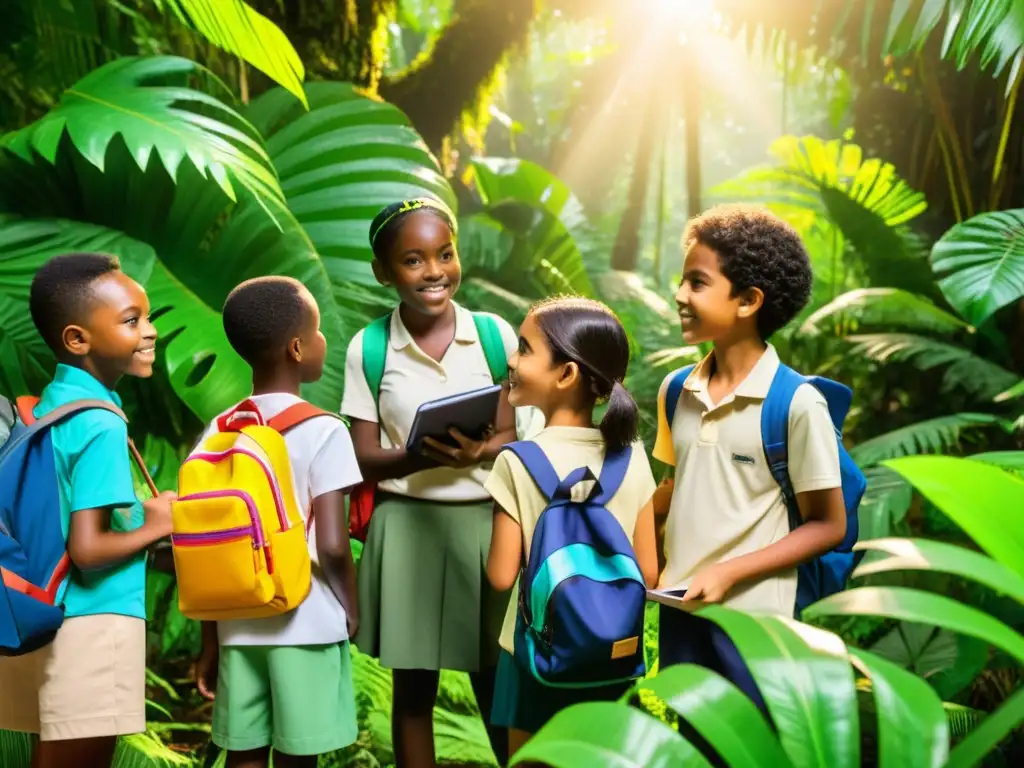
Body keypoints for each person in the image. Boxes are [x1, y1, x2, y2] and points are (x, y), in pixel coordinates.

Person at [342, 198, 519, 768]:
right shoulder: (368, 348)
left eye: (444, 254)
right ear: (384, 271)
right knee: (414, 690)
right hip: (407, 526)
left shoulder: (494, 336)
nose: (435, 271)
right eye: (414, 261)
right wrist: (427, 457)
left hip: (488, 525)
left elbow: (514, 438)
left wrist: (476, 451)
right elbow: (364, 458)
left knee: (498, 680)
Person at [653, 205, 846, 709]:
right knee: (691, 743)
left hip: (756, 624)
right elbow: (678, 490)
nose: (679, 295)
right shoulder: (676, 390)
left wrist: (729, 572)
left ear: (748, 301)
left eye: (697, 283)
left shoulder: (796, 404)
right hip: (678, 611)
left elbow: (829, 524)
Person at [0, 253, 176, 768]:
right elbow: (89, 548)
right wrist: (159, 523)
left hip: (41, 612)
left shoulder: (48, 405)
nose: (150, 332)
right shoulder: (102, 424)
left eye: (147, 317)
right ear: (78, 339)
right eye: (131, 320)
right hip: (93, 624)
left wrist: (138, 518)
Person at [191, 276, 361, 768]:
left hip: (237, 625)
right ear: (297, 347)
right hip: (304, 622)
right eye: (319, 329)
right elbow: (331, 545)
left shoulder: (219, 430)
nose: (324, 339)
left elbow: (208, 545)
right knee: (297, 757)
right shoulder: (325, 430)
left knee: (242, 753)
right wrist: (351, 607)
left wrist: (209, 640)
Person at [484, 297, 659, 756]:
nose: (511, 359)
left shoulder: (517, 461)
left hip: (533, 654)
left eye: (524, 349)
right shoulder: (632, 455)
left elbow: (501, 576)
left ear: (566, 374)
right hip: (611, 652)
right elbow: (649, 573)